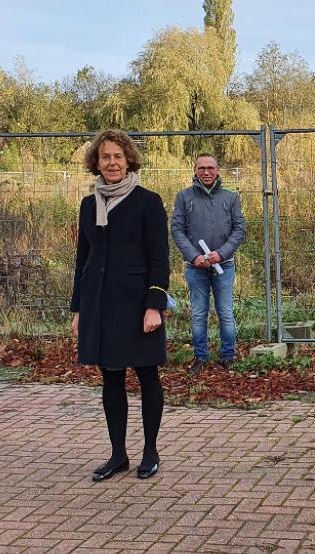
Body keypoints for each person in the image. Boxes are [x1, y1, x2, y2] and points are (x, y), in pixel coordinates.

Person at [70, 129, 169, 481]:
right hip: (100, 305)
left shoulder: (148, 202)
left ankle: (150, 452)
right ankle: (118, 455)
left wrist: (154, 304)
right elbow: (82, 259)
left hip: (138, 305)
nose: (112, 163)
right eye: (105, 157)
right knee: (111, 379)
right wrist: (79, 309)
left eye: (117, 156)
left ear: (129, 160)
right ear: (96, 163)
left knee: (147, 375)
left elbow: (160, 258)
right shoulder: (88, 205)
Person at [170, 153, 246, 374]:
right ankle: (200, 358)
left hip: (224, 266)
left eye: (210, 168)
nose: (206, 172)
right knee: (198, 314)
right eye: (201, 168)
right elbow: (177, 229)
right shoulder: (184, 197)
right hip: (196, 268)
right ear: (195, 170)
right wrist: (194, 256)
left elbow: (239, 229)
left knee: (225, 313)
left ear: (218, 170)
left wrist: (221, 254)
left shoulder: (231, 197)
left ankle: (228, 357)